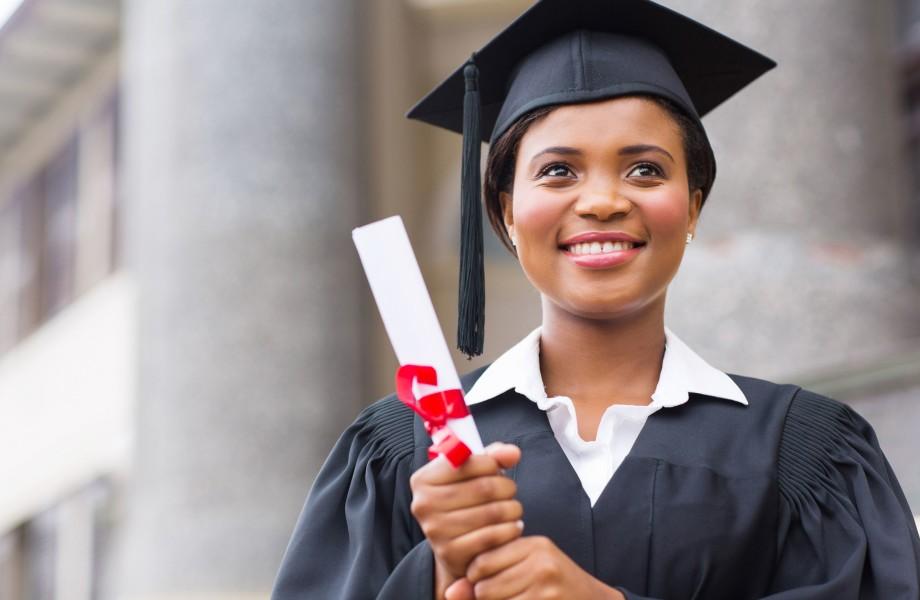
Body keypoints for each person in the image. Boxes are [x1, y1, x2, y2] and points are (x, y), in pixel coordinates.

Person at [270, 1, 920, 598]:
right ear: (506, 215)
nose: (604, 200)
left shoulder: (807, 454)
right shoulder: (398, 457)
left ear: (692, 206)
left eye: (646, 169)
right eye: (558, 170)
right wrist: (440, 572)